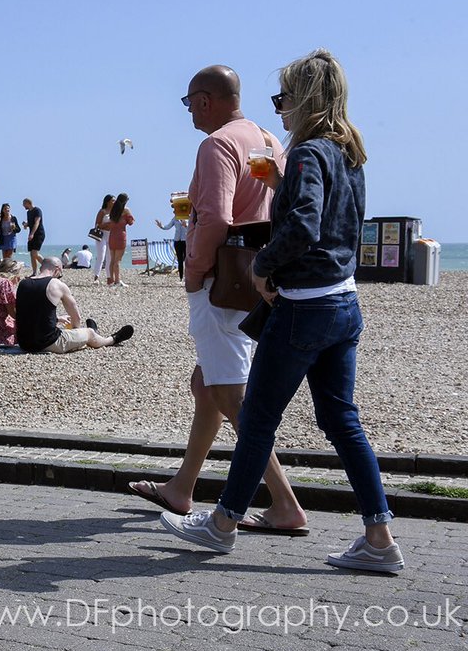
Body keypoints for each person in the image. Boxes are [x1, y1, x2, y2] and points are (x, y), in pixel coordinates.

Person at [162, 50, 402, 572]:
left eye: (284, 98)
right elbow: (338, 222)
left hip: (303, 308)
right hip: (345, 301)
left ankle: (222, 524)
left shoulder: (311, 151)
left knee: (259, 420)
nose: (280, 110)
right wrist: (279, 186)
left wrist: (262, 268)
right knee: (342, 422)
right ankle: (378, 537)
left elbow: (305, 225)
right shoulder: (348, 152)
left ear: (305, 99)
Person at [128, 64, 307, 533]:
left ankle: (284, 502)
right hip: (257, 279)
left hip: (222, 280)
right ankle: (182, 487)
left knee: (229, 392)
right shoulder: (269, 139)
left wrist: (194, 272)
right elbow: (281, 207)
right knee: (206, 382)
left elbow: (214, 217)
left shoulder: (217, 144)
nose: (189, 112)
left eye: (190, 103)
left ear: (206, 100)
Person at [15, 257, 134, 353]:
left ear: (42, 267)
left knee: (72, 332)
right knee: (89, 334)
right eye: (60, 273)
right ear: (57, 269)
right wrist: (77, 331)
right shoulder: (56, 284)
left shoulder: (23, 283)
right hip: (47, 343)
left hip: (24, 343)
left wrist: (56, 319)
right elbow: (75, 317)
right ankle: (112, 339)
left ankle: (90, 332)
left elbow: (29, 313)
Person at [101, 193, 135, 287]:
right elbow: (131, 222)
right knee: (117, 261)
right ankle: (117, 281)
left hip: (112, 236)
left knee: (112, 260)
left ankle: (111, 281)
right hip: (121, 236)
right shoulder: (126, 210)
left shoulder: (113, 211)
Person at [154, 213, 189, 280]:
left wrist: (186, 225)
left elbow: (192, 228)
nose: (174, 212)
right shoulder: (175, 218)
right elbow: (168, 227)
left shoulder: (188, 217)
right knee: (180, 260)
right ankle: (181, 278)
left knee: (187, 259)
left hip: (185, 241)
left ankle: (187, 277)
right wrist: (161, 226)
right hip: (177, 241)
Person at [90, 195, 113, 285]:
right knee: (101, 256)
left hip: (111, 236)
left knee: (109, 258)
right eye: (112, 200)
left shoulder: (115, 212)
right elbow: (97, 225)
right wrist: (107, 224)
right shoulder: (102, 211)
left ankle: (109, 278)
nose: (114, 202)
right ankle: (96, 277)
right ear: (107, 201)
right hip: (102, 236)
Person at [21, 198, 46, 275]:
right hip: (31, 234)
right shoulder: (28, 212)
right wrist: (26, 224)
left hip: (39, 234)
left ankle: (47, 266)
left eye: (24, 204)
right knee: (32, 254)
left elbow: (37, 223)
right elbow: (31, 223)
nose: (23, 206)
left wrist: (32, 234)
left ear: (28, 203)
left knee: (35, 253)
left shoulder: (37, 210)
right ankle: (34, 272)